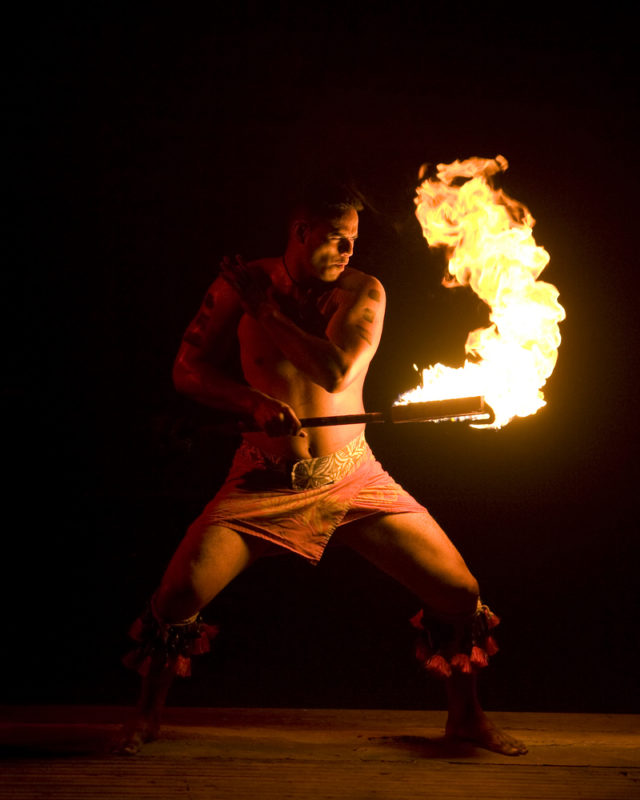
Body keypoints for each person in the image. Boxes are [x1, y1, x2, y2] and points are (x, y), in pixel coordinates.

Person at [114, 177, 527, 757]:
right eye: (336, 239)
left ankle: (466, 718)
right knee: (178, 593)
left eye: (353, 239)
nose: (348, 251)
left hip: (353, 477)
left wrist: (266, 310)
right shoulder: (239, 285)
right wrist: (250, 402)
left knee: (459, 589)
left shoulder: (363, 292)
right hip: (261, 477)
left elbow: (332, 373)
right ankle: (147, 717)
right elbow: (187, 369)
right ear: (300, 232)